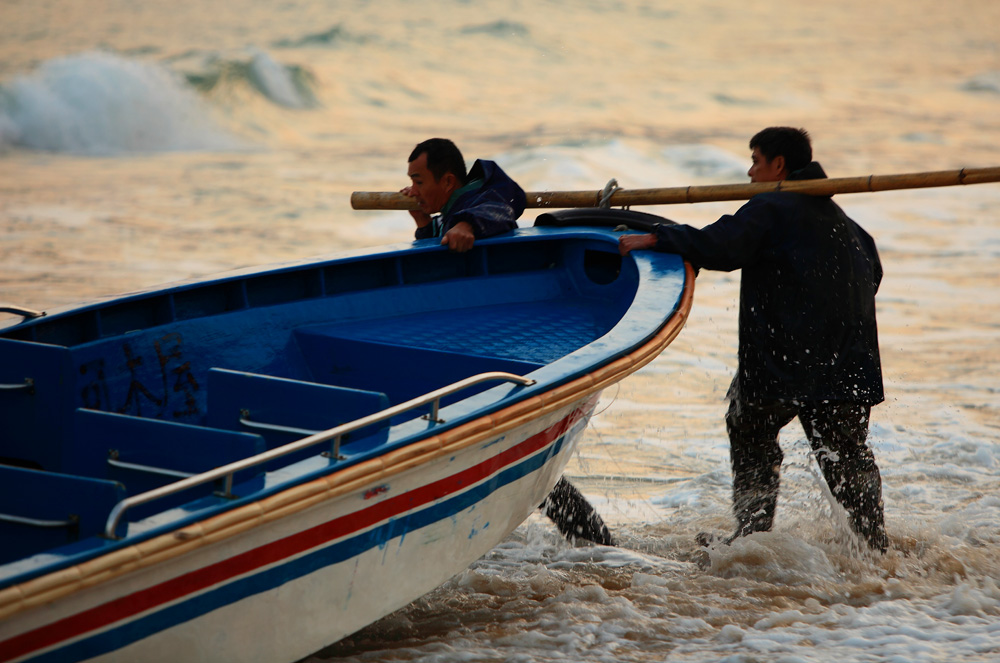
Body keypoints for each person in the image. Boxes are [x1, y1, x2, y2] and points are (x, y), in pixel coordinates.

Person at [619, 127, 888, 553]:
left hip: (784, 366)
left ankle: (752, 538)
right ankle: (875, 550)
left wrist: (660, 237)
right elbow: (872, 277)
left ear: (778, 165)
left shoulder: (771, 207)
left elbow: (721, 246)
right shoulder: (853, 230)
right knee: (849, 457)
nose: (749, 173)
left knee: (749, 429)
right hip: (849, 369)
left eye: (755, 162)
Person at [401, 138, 525, 252]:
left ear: (448, 182)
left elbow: (499, 210)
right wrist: (422, 220)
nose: (413, 191)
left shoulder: (484, 198)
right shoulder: (450, 212)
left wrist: (467, 225)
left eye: (419, 182)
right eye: (412, 183)